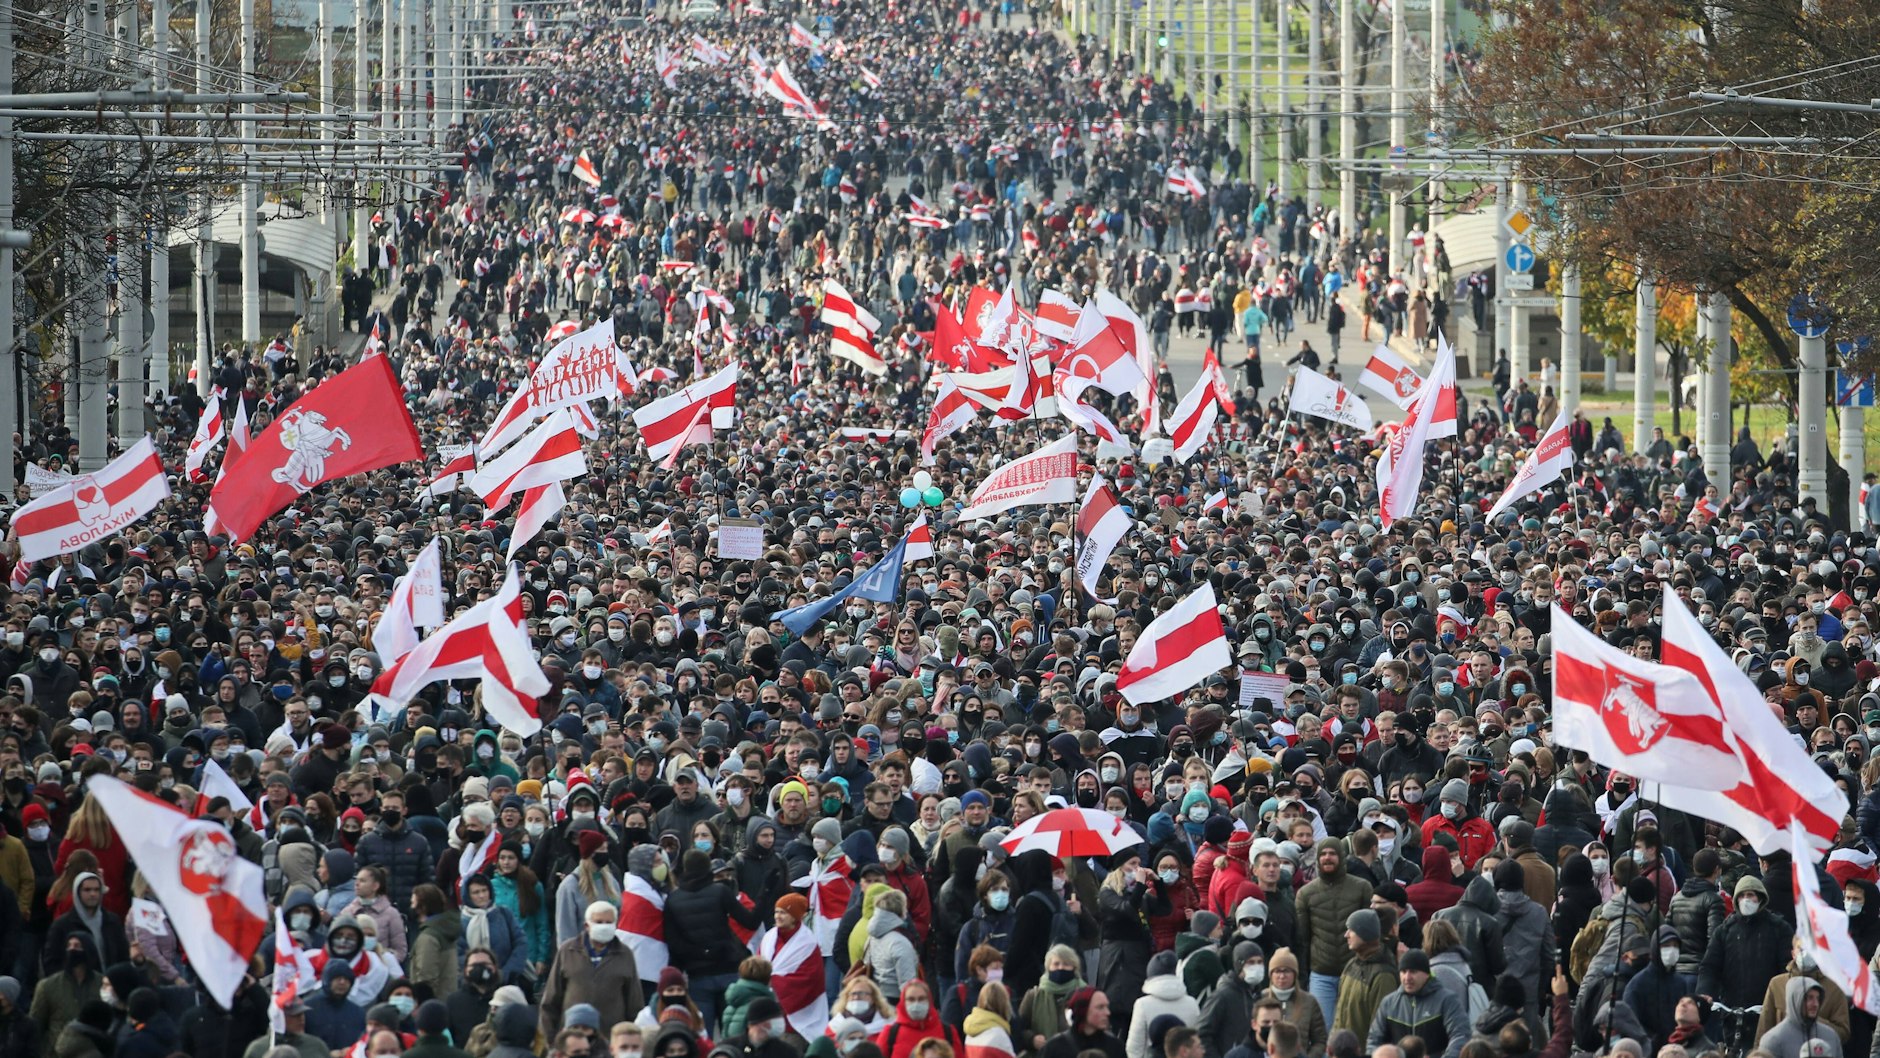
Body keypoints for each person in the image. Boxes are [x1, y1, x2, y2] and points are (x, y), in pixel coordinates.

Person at [540, 900, 645, 1042]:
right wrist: (552, 1042)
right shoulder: (568, 951)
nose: (604, 926)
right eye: (599, 922)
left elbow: (635, 1004)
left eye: (609, 922)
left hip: (610, 1042)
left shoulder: (625, 954)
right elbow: (550, 1001)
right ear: (587, 926)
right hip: (571, 1042)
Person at [1364, 949, 1468, 1058]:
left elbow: (1460, 1035)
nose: (1407, 978)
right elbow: (1374, 1040)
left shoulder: (1447, 1000)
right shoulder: (1388, 1003)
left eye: (1413, 971)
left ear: (1426, 974)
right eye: (1403, 972)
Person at [1040, 987, 1125, 1058]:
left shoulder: (1115, 1047)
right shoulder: (1054, 1048)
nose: (1107, 1012)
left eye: (1107, 1007)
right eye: (1100, 1007)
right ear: (1083, 1010)